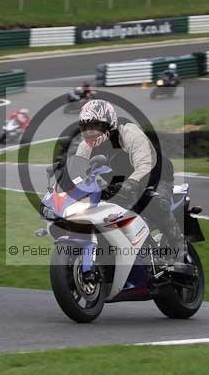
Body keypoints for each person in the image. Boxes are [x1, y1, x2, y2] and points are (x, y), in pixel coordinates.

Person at [75, 99, 187, 267]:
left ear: (108, 122)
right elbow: (78, 171)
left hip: (155, 175)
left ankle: (179, 246)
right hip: (118, 184)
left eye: (94, 126)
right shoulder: (86, 146)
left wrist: (133, 182)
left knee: (153, 201)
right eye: (85, 127)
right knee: (101, 215)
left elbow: (145, 163)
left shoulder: (128, 133)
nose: (89, 132)